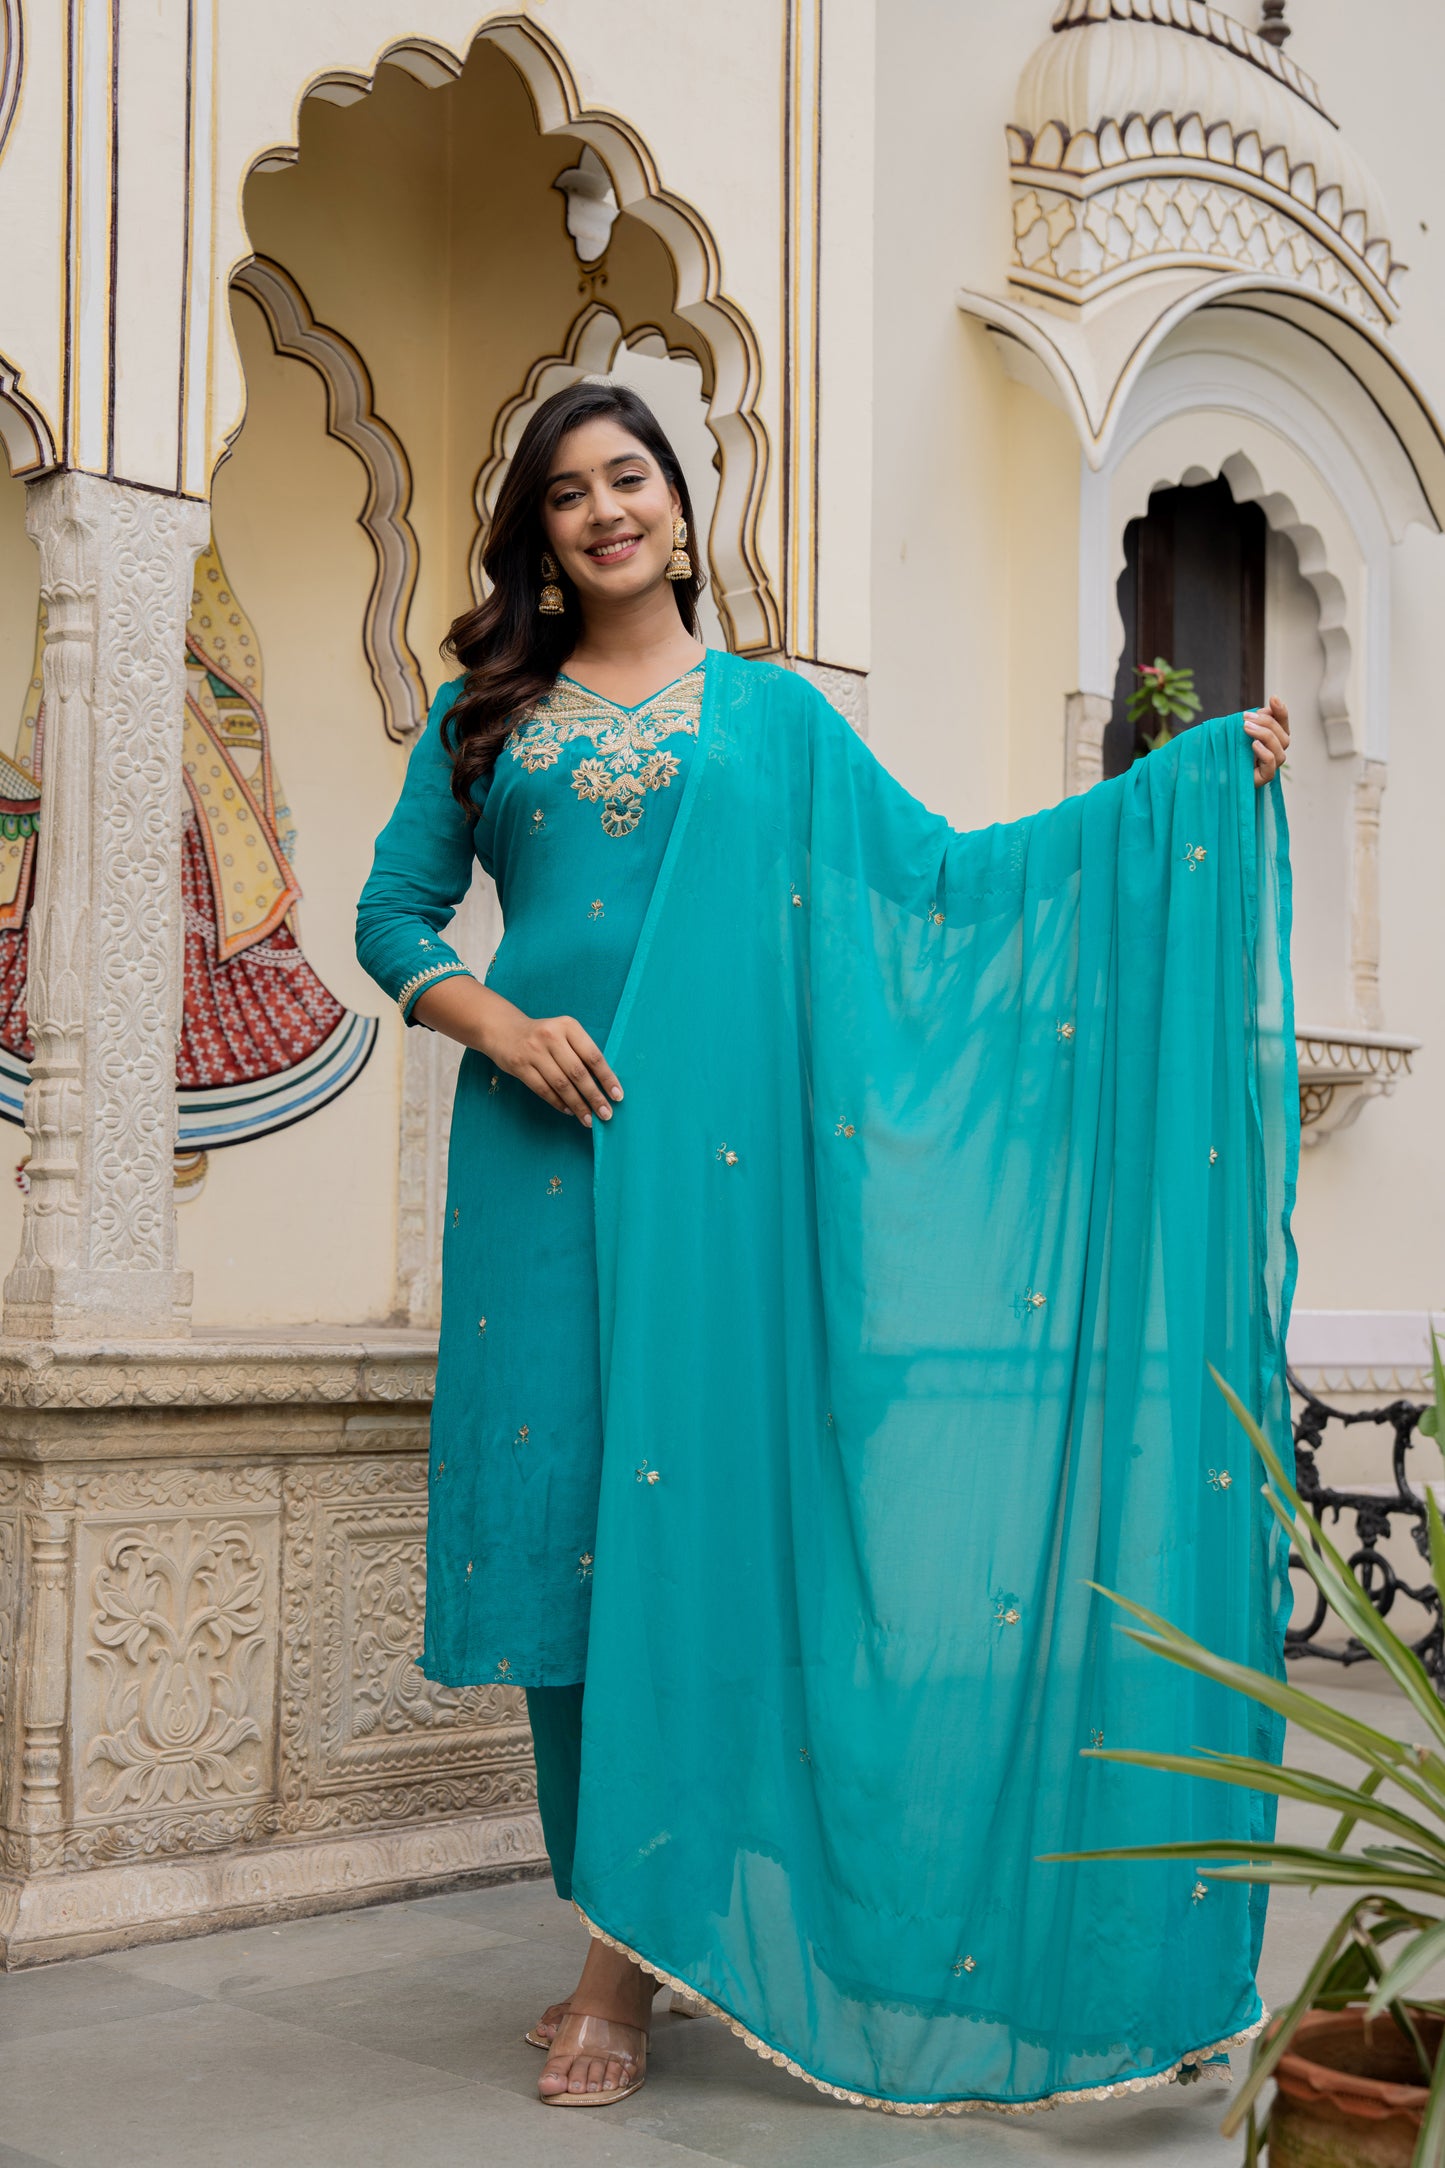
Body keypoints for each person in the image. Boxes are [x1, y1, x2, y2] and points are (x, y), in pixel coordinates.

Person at [356, 380, 1294, 2116]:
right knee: (571, 1562)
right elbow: (388, 914)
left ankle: (622, 1965)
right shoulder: (485, 716)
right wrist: (494, 1024)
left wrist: (1167, 795)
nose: (602, 510)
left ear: (681, 507)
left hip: (720, 1182)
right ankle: (635, 1909)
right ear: (537, 534)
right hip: (538, 1182)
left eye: (627, 476)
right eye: (565, 492)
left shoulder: (772, 722)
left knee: (696, 1538)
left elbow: (943, 882)